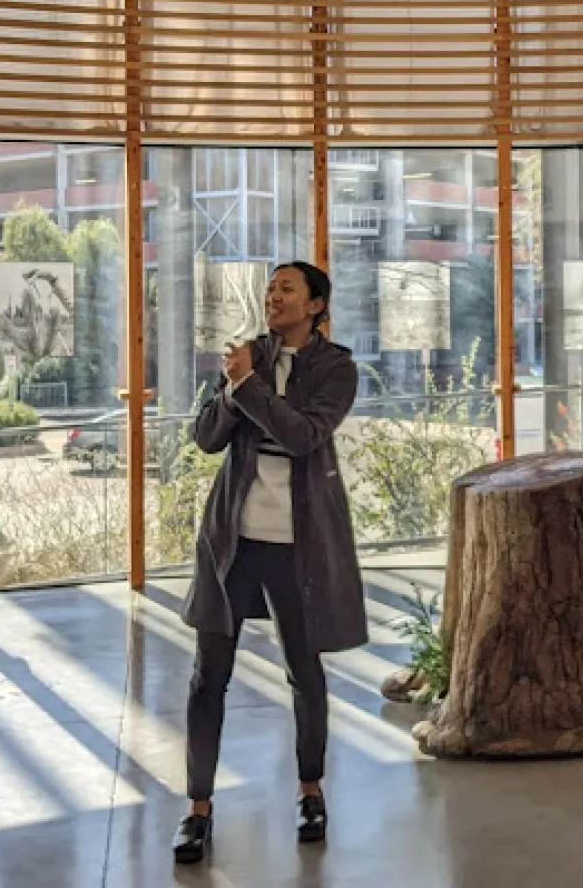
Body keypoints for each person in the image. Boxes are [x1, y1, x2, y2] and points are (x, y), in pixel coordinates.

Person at [173, 261, 369, 864]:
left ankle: (311, 792)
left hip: (300, 543)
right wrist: (238, 391)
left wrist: (250, 389)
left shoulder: (335, 367)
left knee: (304, 673)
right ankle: (198, 809)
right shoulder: (245, 357)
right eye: (270, 288)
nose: (273, 296)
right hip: (232, 540)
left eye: (287, 288)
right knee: (209, 677)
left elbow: (306, 436)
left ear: (315, 305)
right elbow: (206, 438)